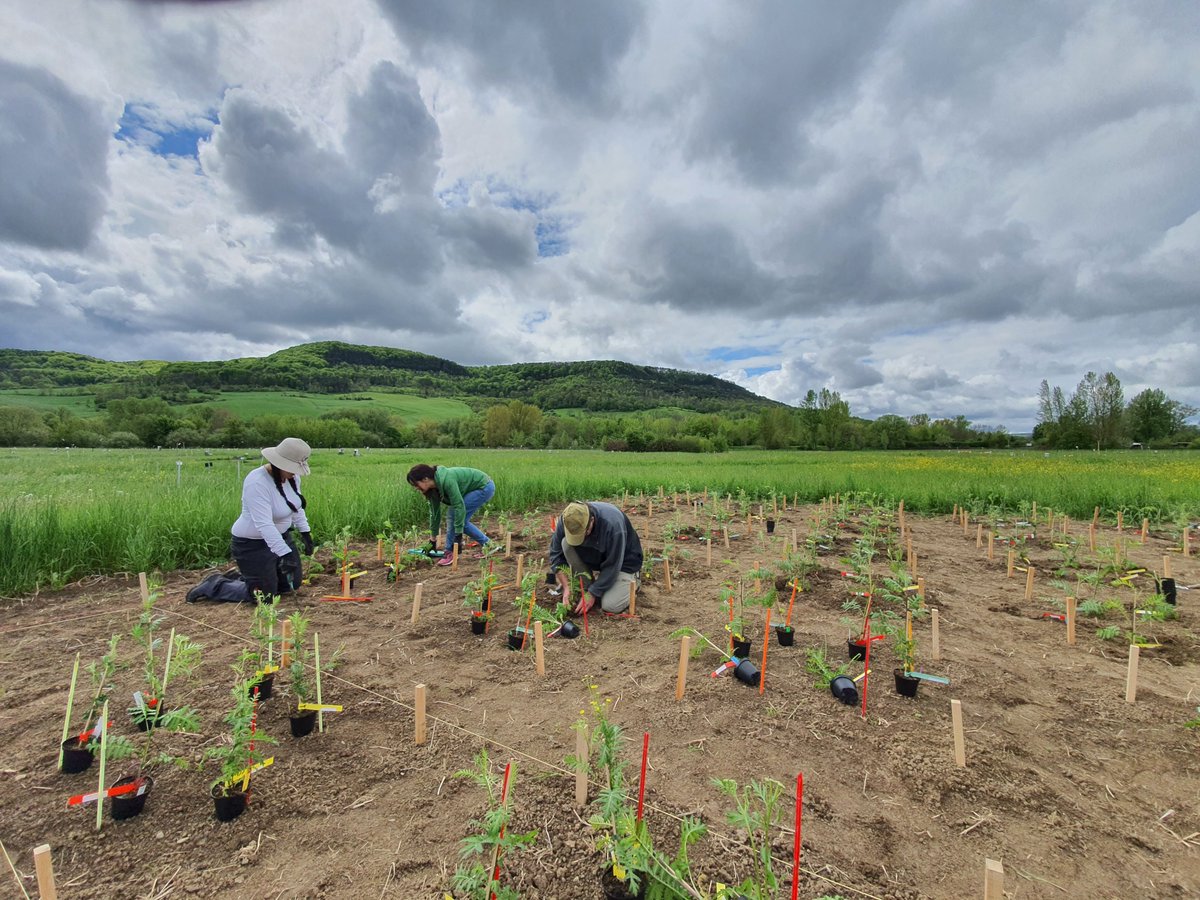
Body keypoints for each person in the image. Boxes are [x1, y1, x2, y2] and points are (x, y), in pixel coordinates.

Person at [186, 438, 315, 602]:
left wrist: (305, 533)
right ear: (280, 463)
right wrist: (285, 554)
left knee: (290, 585)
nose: (295, 472)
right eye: (293, 468)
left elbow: (295, 505)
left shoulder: (292, 478)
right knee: (264, 597)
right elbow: (264, 525)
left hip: (281, 538)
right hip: (253, 545)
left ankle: (249, 577)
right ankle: (214, 585)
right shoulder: (257, 482)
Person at [549, 501, 643, 615]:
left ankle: (634, 581)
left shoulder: (613, 525)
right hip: (597, 556)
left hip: (623, 563)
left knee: (610, 605)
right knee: (566, 544)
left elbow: (613, 565)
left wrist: (593, 593)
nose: (580, 539)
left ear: (592, 521)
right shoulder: (568, 519)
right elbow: (555, 555)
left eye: (583, 534)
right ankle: (588, 585)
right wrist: (566, 588)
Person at [406, 464, 496, 566]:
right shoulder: (432, 489)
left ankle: (450, 552)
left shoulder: (447, 480)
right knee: (457, 519)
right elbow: (435, 514)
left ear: (425, 479)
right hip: (473, 489)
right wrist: (432, 540)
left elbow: (458, 506)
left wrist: (458, 536)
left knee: (456, 517)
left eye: (416, 485)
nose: (416, 488)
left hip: (483, 486)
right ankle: (488, 545)